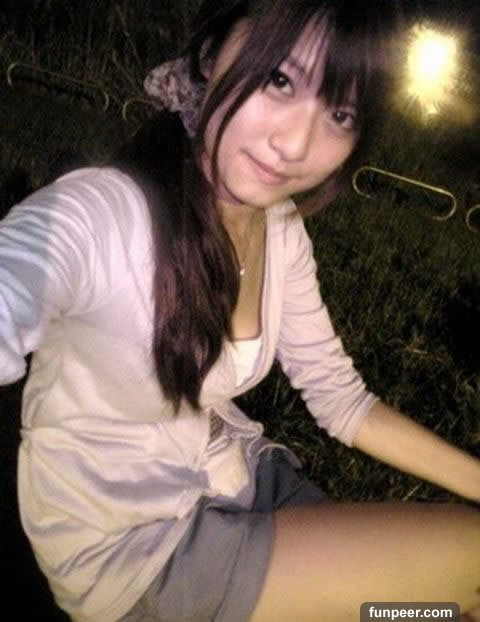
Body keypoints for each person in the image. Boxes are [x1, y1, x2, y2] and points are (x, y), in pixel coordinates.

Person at [1, 1, 479, 621]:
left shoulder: (279, 230)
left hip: (234, 473)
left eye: (339, 114)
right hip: (136, 549)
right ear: (210, 55)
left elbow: (341, 399)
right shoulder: (103, 215)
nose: (295, 144)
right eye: (280, 79)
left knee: (427, 611)